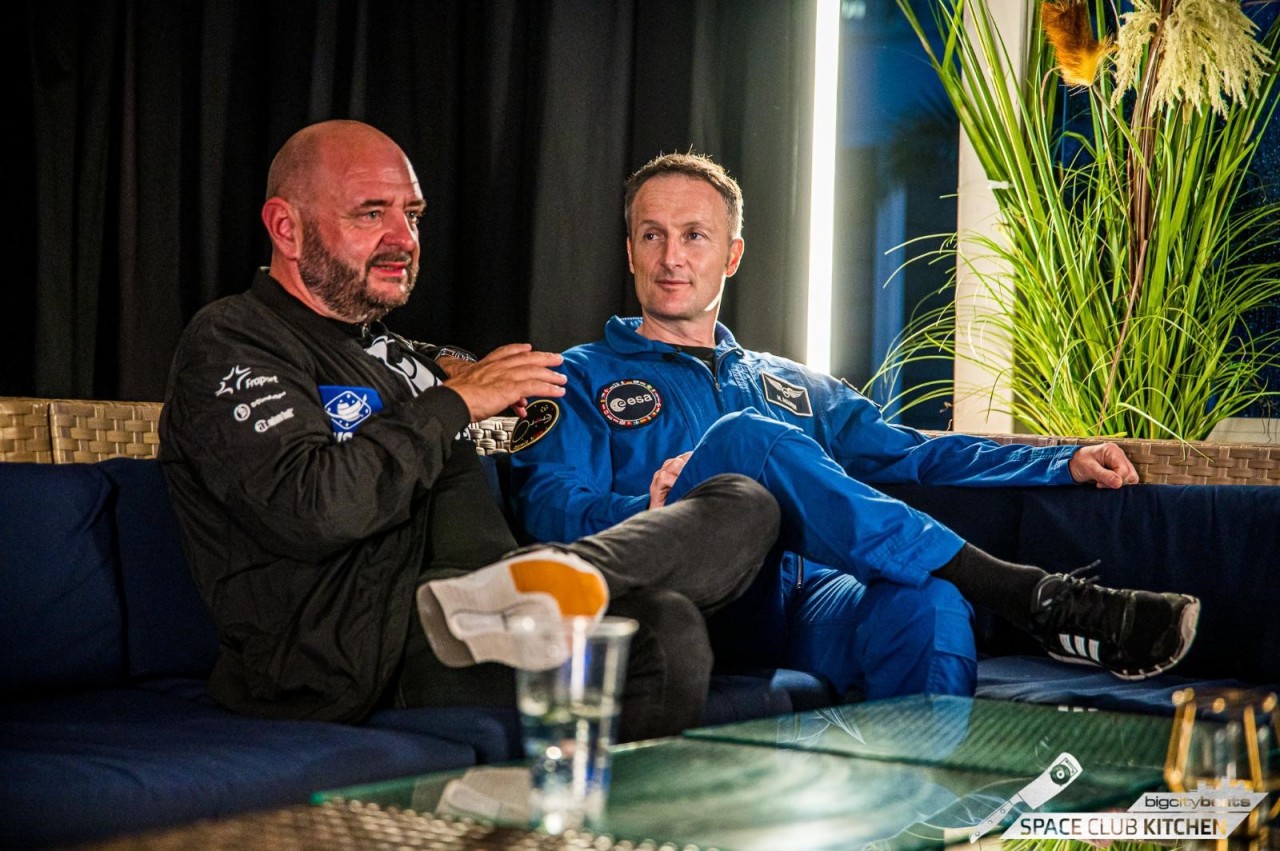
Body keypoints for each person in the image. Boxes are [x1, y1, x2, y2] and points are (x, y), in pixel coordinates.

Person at [157, 122, 781, 742]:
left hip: (484, 619)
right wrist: (455, 401)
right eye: (371, 214)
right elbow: (313, 508)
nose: (403, 238)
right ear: (286, 229)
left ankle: (537, 591)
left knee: (734, 515)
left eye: (413, 215)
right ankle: (519, 590)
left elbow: (434, 366)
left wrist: (461, 374)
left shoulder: (383, 346)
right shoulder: (232, 339)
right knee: (657, 635)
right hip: (360, 650)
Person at [508, 151, 1200, 701]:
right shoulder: (575, 376)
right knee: (743, 440)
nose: (671, 257)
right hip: (677, 600)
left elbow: (913, 456)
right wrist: (649, 508)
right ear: (629, 250)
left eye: (695, 236)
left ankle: (925, 821)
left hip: (797, 605)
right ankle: (1030, 594)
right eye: (651, 236)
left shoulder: (789, 382)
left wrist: (1058, 459)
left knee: (926, 604)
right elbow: (545, 505)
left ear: (733, 254)